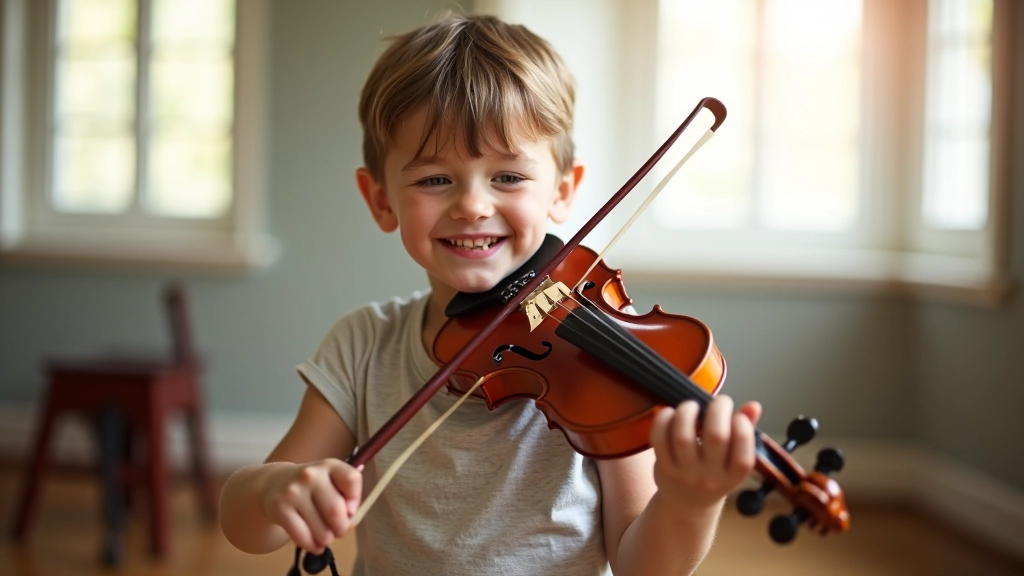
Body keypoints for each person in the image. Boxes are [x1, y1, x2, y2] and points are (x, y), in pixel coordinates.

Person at [219, 13, 761, 576]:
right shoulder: (363, 346)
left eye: (508, 177)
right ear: (380, 200)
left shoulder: (607, 367)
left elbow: (642, 565)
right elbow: (245, 527)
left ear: (563, 191)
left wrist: (688, 504)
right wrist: (273, 492)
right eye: (434, 179)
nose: (473, 205)